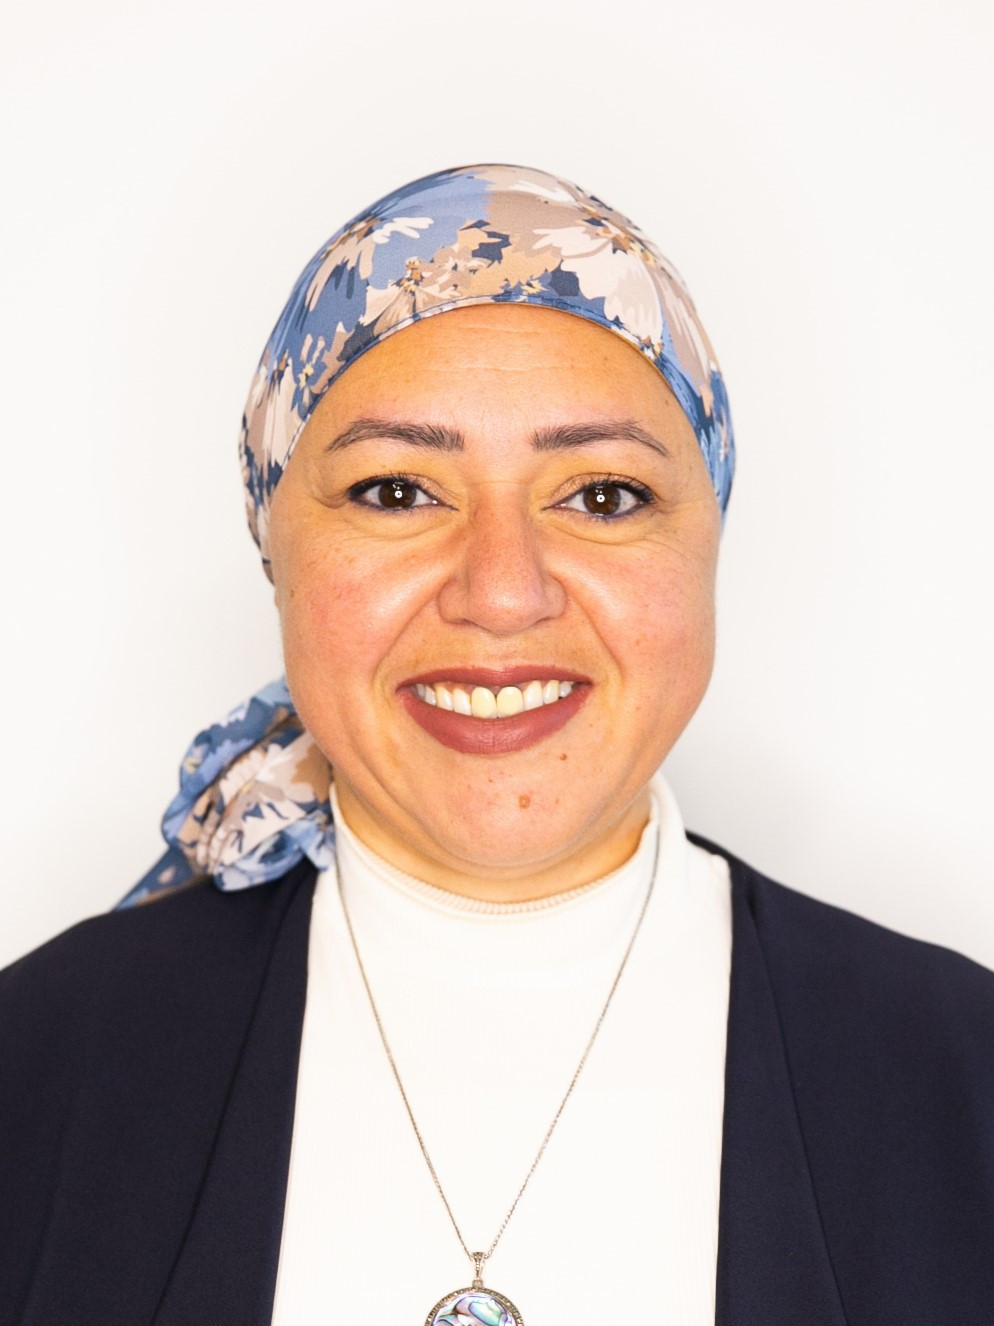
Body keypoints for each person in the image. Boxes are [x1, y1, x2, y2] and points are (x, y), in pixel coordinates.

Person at [1, 164, 992, 1326]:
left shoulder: (960, 1078)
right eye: (395, 492)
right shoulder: (38, 1069)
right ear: (277, 548)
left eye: (603, 497)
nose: (503, 592)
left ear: (707, 545)